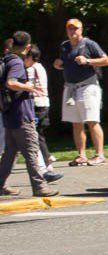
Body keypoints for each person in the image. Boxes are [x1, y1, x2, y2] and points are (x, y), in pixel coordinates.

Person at [0, 31, 59, 197]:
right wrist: (29, 86)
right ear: (27, 47)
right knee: (32, 150)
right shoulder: (17, 62)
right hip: (21, 115)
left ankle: (0, 184)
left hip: (9, 114)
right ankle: (40, 186)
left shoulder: (6, 58)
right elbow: (11, 83)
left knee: (10, 153)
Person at [54, 18, 108, 166]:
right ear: (66, 31)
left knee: (92, 121)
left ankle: (100, 154)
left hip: (88, 87)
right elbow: (63, 62)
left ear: (81, 30)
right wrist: (58, 64)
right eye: (70, 29)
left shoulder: (89, 44)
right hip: (71, 88)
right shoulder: (64, 46)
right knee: (76, 123)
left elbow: (106, 60)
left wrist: (88, 61)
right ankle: (81, 155)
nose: (73, 31)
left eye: (76, 28)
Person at [24, 46, 62, 183]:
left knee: (35, 134)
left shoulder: (31, 69)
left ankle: (46, 159)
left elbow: (29, 86)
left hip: (37, 104)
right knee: (38, 133)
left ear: (30, 58)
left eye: (25, 57)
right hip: (44, 103)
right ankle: (46, 159)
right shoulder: (40, 67)